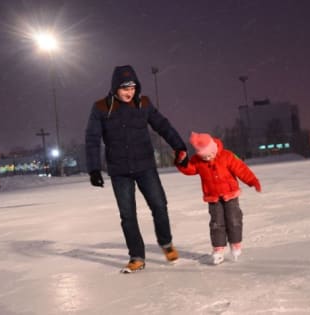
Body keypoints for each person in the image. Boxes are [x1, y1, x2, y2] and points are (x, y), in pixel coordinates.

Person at [85, 65, 187, 273]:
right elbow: (92, 139)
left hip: (145, 166)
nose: (129, 92)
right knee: (128, 215)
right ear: (115, 88)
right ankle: (137, 256)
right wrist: (94, 169)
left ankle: (166, 243)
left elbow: (163, 126)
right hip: (119, 170)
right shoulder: (101, 108)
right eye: (124, 88)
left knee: (159, 205)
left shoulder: (143, 103)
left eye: (132, 87)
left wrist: (179, 146)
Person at [175, 132, 261, 265]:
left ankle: (235, 243)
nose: (208, 158)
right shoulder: (198, 160)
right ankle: (218, 249)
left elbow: (241, 169)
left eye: (210, 155)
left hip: (230, 194)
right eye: (205, 157)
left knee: (234, 219)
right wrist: (181, 162)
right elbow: (189, 169)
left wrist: (253, 181)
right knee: (216, 223)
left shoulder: (226, 156)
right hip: (213, 197)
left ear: (214, 149)